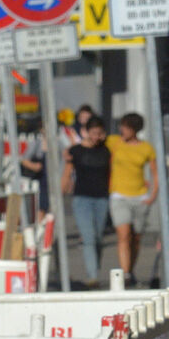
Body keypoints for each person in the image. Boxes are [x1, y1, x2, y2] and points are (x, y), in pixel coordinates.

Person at [105, 112, 158, 287]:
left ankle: (131, 269)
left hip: (140, 196)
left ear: (134, 129)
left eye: (126, 127)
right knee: (124, 234)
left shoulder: (146, 148)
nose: (122, 130)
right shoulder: (114, 142)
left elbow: (155, 173)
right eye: (122, 126)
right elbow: (94, 140)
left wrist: (152, 195)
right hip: (119, 196)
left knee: (136, 237)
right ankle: (126, 273)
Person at [62, 115, 111, 288]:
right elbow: (68, 172)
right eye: (93, 133)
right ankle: (92, 275)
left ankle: (94, 268)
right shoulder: (76, 151)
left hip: (102, 198)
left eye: (100, 133)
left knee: (98, 238)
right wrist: (62, 190)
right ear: (86, 132)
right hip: (81, 198)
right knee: (89, 237)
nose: (96, 136)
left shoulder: (107, 150)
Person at [19, 123, 50, 223]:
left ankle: (47, 228)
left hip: (51, 177)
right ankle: (40, 224)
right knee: (41, 203)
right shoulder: (37, 142)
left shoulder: (57, 141)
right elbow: (24, 159)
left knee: (49, 204)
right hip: (41, 177)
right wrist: (34, 166)